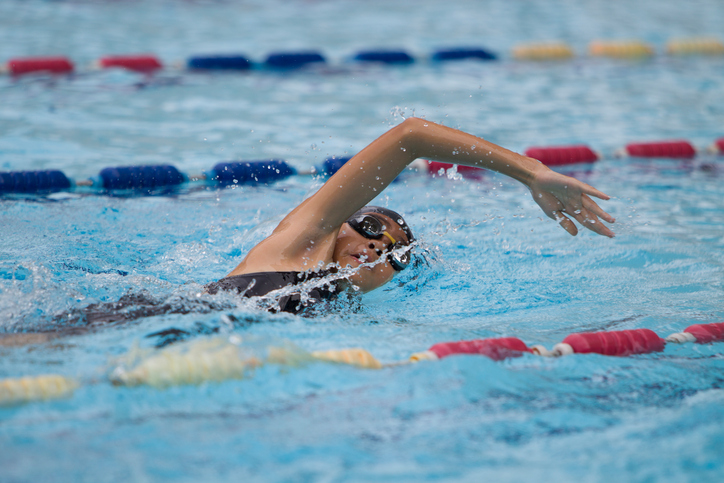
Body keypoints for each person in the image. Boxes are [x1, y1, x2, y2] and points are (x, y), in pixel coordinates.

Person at [206, 118, 615, 313]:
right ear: (340, 222)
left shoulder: (345, 315)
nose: (375, 247)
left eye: (395, 254)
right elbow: (410, 137)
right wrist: (531, 171)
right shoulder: (300, 246)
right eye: (369, 228)